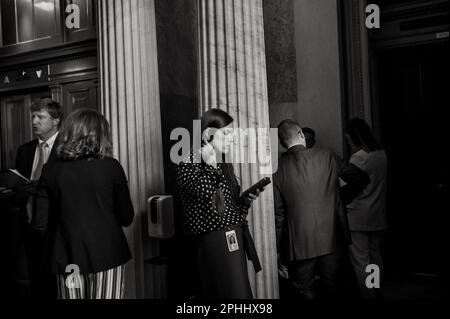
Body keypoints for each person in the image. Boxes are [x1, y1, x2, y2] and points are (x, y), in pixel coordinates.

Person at [35, 108, 134, 299]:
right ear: (100, 135)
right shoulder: (111, 166)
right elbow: (126, 217)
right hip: (107, 254)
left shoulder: (50, 170)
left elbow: (40, 224)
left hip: (67, 256)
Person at [176, 108, 264, 299]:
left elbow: (230, 210)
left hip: (234, 236)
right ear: (208, 134)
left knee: (240, 293)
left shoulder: (223, 163)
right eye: (226, 133)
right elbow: (204, 194)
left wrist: (245, 202)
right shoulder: (188, 162)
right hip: (213, 241)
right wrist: (212, 167)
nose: (231, 139)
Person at [273, 119, 346, 299]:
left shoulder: (277, 169)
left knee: (305, 292)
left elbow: (279, 215)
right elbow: (359, 177)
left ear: (282, 143)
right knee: (334, 290)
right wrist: (335, 196)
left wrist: (277, 250)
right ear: (301, 134)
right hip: (331, 237)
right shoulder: (328, 155)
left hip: (299, 244)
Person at [13, 98, 63, 297]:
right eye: (33, 116)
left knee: (56, 283)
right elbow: (19, 188)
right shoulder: (24, 151)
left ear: (56, 120)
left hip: (56, 226)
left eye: (40, 117)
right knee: (35, 280)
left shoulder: (67, 149)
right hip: (29, 224)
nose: (34, 121)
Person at [344, 118, 388, 299]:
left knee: (361, 260)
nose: (347, 142)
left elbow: (344, 185)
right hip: (377, 213)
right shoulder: (381, 154)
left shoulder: (359, 157)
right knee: (375, 257)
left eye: (348, 138)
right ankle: (377, 290)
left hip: (358, 215)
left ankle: (368, 296)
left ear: (354, 136)